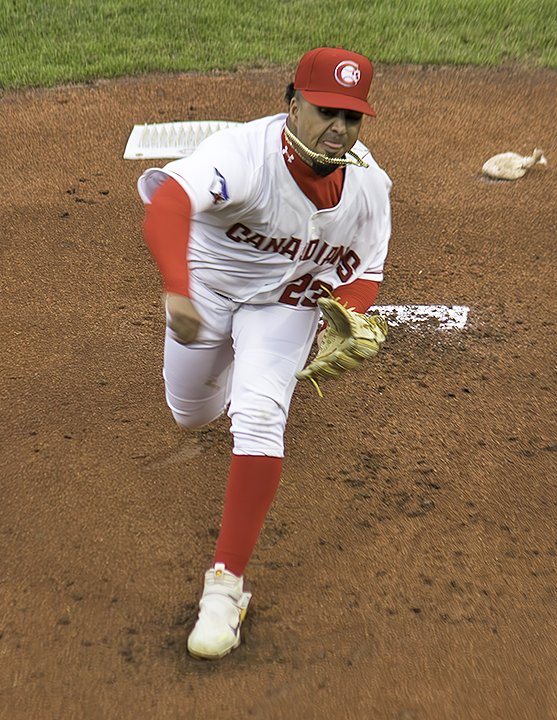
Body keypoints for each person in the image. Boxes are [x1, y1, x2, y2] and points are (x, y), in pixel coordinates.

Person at [137, 47, 393, 660]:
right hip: (206, 290)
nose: (339, 128)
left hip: (284, 303)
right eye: (326, 111)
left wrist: (351, 316)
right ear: (292, 104)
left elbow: (366, 268)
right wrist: (176, 292)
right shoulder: (243, 156)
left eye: (352, 118)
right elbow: (169, 204)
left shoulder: (369, 186)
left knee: (258, 416)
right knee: (192, 415)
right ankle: (228, 378)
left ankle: (225, 590)